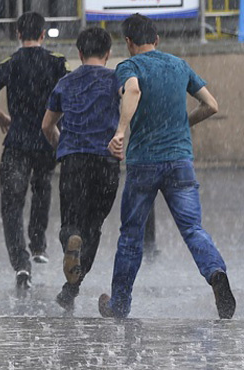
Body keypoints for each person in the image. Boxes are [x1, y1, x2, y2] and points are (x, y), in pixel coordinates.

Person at [99, 13, 236, 319]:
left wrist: (121, 130)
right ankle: (215, 273)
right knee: (192, 228)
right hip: (180, 161)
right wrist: (182, 125)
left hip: (144, 163)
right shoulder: (178, 65)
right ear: (157, 40)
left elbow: (132, 90)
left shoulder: (129, 66)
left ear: (128, 42)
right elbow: (211, 105)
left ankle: (119, 305)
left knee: (131, 235)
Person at [0, 11, 69, 290]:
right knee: (42, 188)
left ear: (18, 35)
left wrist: (0, 116)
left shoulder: (10, 64)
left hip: (16, 143)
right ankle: (38, 244)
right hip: (46, 139)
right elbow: (68, 97)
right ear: (42, 34)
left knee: (12, 205)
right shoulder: (55, 63)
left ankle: (21, 265)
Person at [42, 27, 120, 311]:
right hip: (107, 161)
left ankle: (70, 246)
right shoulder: (116, 81)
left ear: (79, 53)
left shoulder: (66, 82)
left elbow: (47, 126)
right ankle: (70, 290)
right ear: (108, 53)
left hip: (74, 161)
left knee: (71, 224)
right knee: (93, 227)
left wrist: (63, 146)